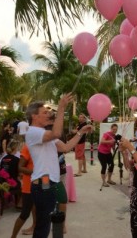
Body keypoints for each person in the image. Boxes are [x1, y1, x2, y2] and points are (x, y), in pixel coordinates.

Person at [25, 94, 93, 238]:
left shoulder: (43, 133)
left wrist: (81, 132)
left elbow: (66, 147)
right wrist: (61, 107)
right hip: (43, 183)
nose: (48, 114)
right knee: (43, 227)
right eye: (44, 112)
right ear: (34, 116)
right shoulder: (33, 132)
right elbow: (56, 133)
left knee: (49, 221)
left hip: (50, 182)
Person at [11, 144, 36, 237]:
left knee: (42, 211)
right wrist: (37, 171)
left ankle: (35, 228)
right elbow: (20, 167)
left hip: (44, 183)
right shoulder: (28, 146)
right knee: (25, 213)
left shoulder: (46, 145)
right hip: (29, 186)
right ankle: (13, 236)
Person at [0, 139, 21, 208]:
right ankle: (20, 204)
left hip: (3, 183)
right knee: (25, 183)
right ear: (15, 148)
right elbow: (19, 173)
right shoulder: (16, 159)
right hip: (12, 183)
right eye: (18, 147)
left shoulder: (3, 159)